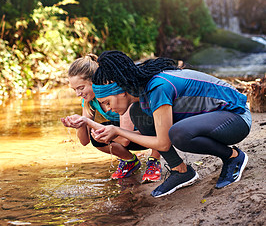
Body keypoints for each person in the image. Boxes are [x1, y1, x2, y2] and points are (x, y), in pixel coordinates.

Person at [87, 50, 251, 198]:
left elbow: (163, 143)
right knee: (137, 112)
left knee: (179, 133)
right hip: (214, 119)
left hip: (237, 117)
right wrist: (117, 133)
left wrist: (118, 130)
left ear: (121, 91)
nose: (108, 109)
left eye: (107, 102)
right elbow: (155, 137)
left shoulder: (158, 87)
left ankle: (233, 157)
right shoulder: (144, 96)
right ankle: (180, 171)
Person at [61, 54, 162, 182]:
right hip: (130, 134)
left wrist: (88, 122)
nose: (77, 94)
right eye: (74, 89)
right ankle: (129, 161)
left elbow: (125, 140)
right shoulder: (88, 102)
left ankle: (154, 159)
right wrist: (80, 124)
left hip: (148, 133)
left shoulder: (118, 96)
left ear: (95, 82)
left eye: (81, 88)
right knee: (96, 137)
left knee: (148, 124)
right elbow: (84, 141)